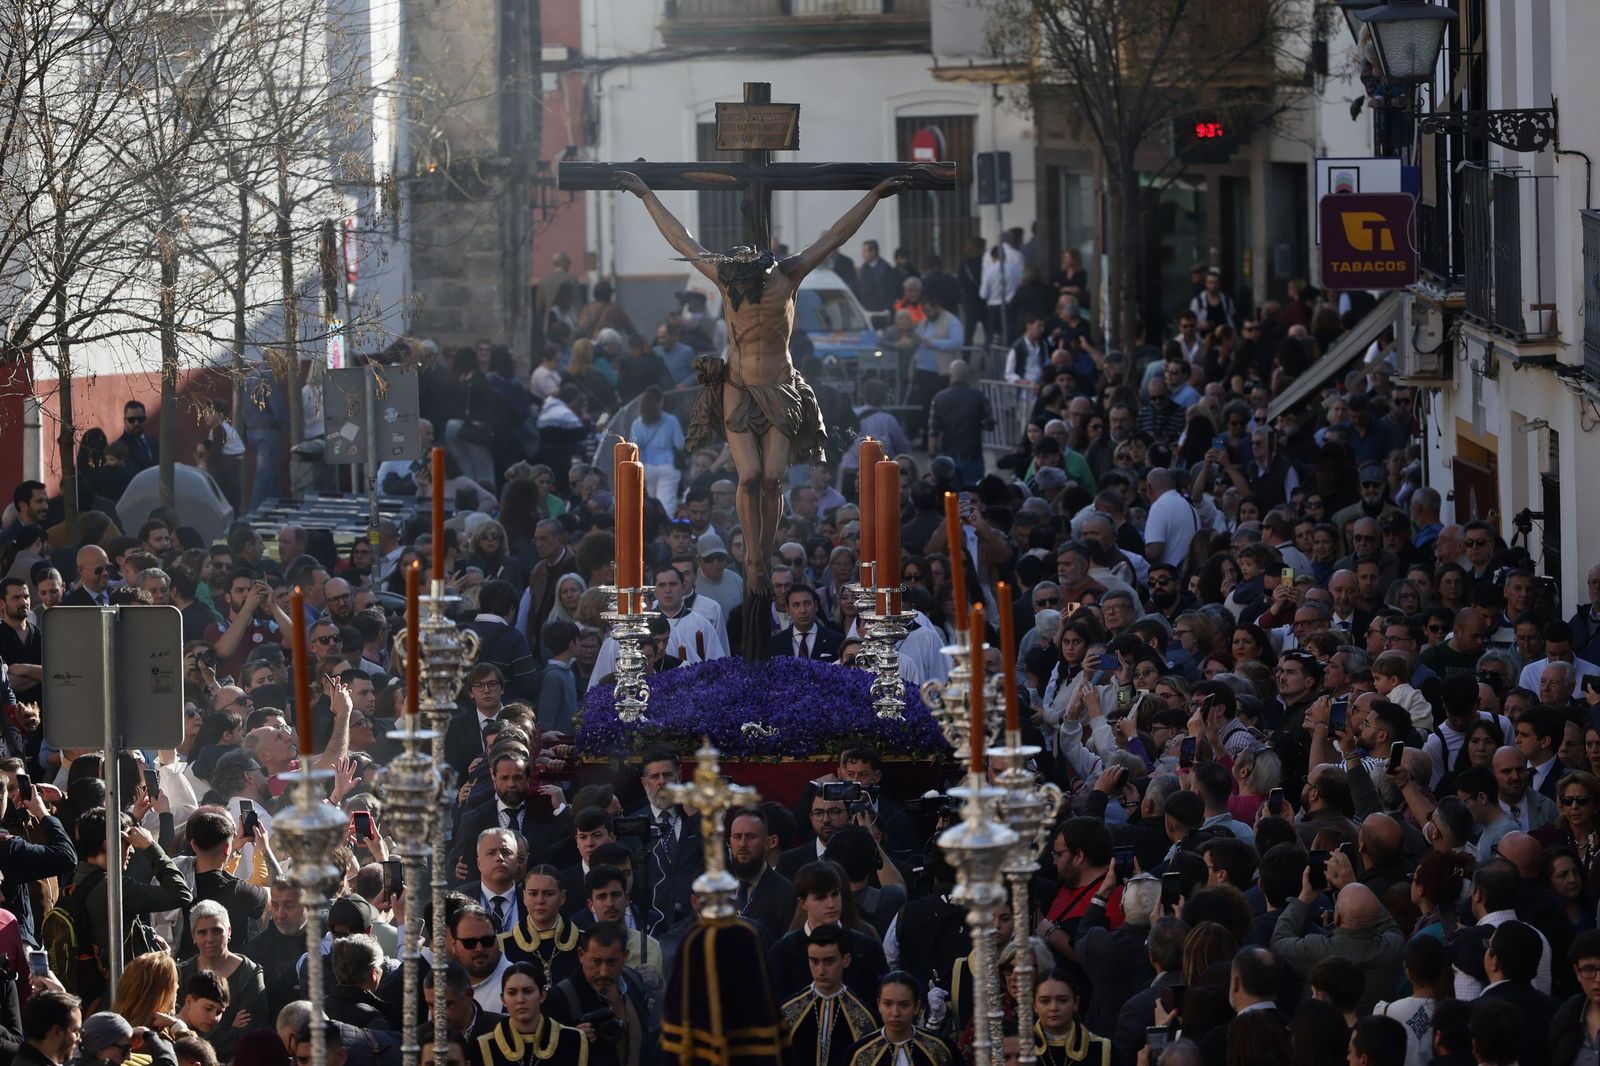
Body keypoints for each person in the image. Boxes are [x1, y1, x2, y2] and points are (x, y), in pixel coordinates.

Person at [614, 168, 908, 589]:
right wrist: (646, 196)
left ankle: (766, 552)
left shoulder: (790, 274)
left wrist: (875, 194)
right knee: (748, 476)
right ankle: (752, 556)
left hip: (781, 386)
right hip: (738, 385)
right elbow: (681, 239)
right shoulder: (726, 278)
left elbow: (836, 236)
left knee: (772, 479)